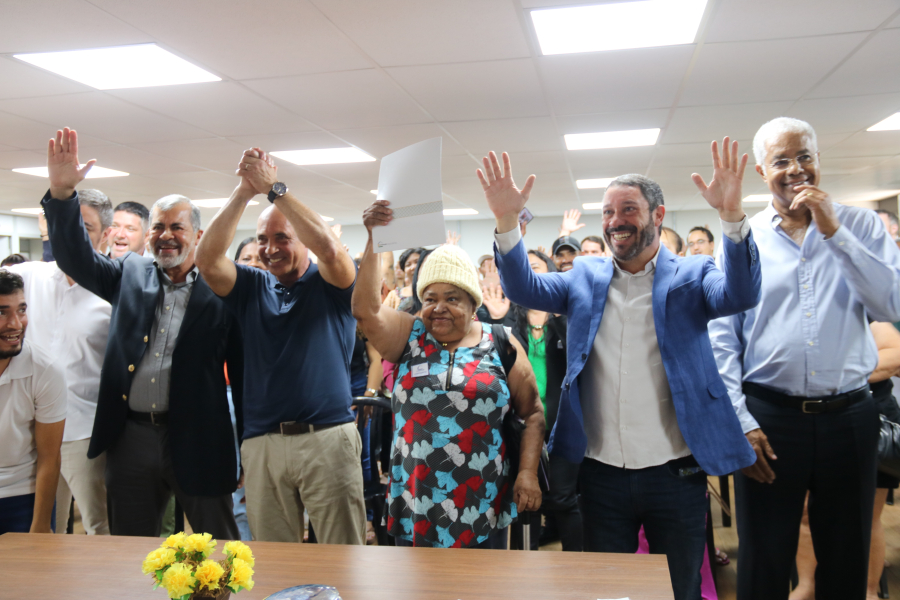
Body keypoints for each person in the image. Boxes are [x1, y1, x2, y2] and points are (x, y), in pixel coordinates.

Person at [480, 140, 760, 600]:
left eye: (628, 208)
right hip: (601, 473)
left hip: (676, 472)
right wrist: (508, 223)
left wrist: (731, 216)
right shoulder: (584, 276)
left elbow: (740, 294)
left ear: (658, 214)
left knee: (680, 588)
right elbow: (523, 287)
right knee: (606, 590)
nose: (614, 221)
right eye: (607, 212)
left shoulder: (693, 274)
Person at [708, 117, 900, 600]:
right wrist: (740, 422)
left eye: (805, 157)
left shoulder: (860, 225)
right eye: (781, 160)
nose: (796, 169)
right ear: (760, 170)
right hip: (770, 419)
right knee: (764, 556)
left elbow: (889, 305)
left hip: (851, 416)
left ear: (819, 160)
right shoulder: (741, 238)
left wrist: (835, 231)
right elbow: (722, 340)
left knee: (846, 553)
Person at [42, 128, 243, 540]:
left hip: (200, 436)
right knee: (131, 551)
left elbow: (242, 375)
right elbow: (76, 258)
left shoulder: (225, 291)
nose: (166, 234)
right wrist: (62, 195)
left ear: (199, 236)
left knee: (218, 549)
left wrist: (246, 449)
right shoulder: (129, 274)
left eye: (177, 227)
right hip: (131, 437)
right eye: (158, 227)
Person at [195, 147, 365, 545]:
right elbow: (206, 260)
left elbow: (327, 246)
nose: (271, 248)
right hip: (263, 443)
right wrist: (244, 191)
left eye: (282, 238)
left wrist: (275, 189)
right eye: (263, 240)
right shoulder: (250, 286)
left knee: (344, 555)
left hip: (327, 438)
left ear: (301, 241)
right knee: (274, 561)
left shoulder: (332, 282)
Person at [352, 206, 544, 548]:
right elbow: (365, 310)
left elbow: (531, 414)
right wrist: (373, 238)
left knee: (482, 590)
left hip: (483, 500)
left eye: (452, 298)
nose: (438, 307)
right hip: (416, 501)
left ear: (473, 304)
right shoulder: (410, 335)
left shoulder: (500, 341)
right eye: (430, 298)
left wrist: (528, 473)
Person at [3, 189, 113, 536]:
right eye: (65, 226)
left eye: (85, 228)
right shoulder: (30, 276)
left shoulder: (112, 291)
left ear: (105, 235)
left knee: (99, 526)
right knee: (49, 528)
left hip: (84, 431)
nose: (72, 237)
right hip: (30, 433)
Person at [790, 322, 900, 600]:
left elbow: (895, 356)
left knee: (865, 516)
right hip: (804, 418)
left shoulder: (866, 309)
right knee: (805, 512)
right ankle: (807, 586)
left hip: (870, 416)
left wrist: (829, 373)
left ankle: (868, 591)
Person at [510, 250, 582, 551]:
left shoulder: (565, 316)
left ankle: (578, 572)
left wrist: (558, 314)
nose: (530, 275)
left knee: (563, 498)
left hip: (561, 425)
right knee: (526, 501)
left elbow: (579, 356)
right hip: (522, 427)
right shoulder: (511, 318)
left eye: (536, 268)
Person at [0, 270, 67, 535]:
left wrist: (40, 525)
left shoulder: (46, 370)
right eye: (2, 312)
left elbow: (49, 458)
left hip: (22, 494)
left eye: (22, 310)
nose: (15, 324)